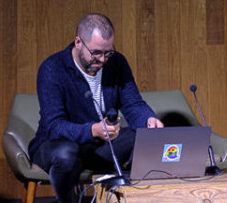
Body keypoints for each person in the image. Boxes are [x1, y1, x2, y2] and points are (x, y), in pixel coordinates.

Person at [28, 13, 164, 203]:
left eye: (107, 53)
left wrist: (148, 120)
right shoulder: (52, 69)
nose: (102, 60)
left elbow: (133, 104)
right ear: (78, 42)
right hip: (55, 146)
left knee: (142, 138)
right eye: (96, 53)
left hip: (99, 148)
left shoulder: (117, 63)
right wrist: (92, 130)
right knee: (67, 154)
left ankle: (127, 198)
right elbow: (54, 126)